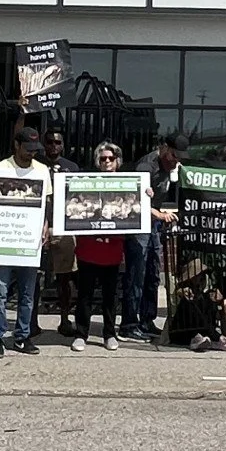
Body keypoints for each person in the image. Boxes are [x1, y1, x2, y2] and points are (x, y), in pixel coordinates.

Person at [0, 127, 53, 359]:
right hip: (4, 237)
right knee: (0, 292)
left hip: (28, 239)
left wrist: (46, 225)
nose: (31, 154)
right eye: (27, 149)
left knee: (27, 293)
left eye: (35, 150)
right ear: (16, 145)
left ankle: (22, 336)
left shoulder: (42, 171)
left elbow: (46, 204)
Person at [73, 141, 137, 352]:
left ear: (118, 161)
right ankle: (81, 334)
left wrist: (146, 195)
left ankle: (109, 334)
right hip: (88, 249)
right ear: (97, 161)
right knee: (85, 295)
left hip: (112, 250)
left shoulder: (128, 184)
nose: (107, 162)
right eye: (103, 159)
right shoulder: (85, 182)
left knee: (110, 296)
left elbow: (136, 210)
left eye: (111, 158)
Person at [123, 134, 184, 342]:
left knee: (153, 274)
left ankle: (146, 321)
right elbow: (134, 198)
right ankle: (129, 324)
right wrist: (158, 214)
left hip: (154, 226)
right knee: (136, 274)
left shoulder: (173, 168)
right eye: (173, 155)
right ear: (165, 148)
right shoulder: (147, 166)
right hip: (139, 225)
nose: (175, 160)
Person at [38, 127, 80, 339]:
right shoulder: (35, 165)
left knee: (65, 277)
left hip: (64, 227)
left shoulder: (71, 168)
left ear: (63, 145)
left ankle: (65, 319)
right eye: (50, 142)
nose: (53, 146)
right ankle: (31, 322)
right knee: (36, 276)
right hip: (38, 228)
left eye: (57, 142)